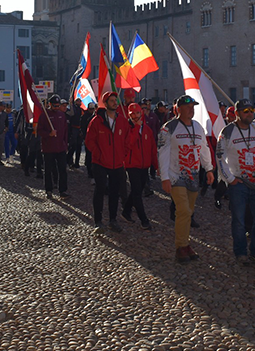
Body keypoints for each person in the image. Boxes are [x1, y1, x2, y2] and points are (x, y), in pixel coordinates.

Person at [158, 95, 214, 263]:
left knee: (188, 213)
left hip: (193, 176)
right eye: (188, 106)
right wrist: (164, 177)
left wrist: (209, 168)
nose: (192, 109)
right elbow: (163, 153)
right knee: (183, 210)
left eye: (193, 106)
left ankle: (186, 243)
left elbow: (204, 149)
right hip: (176, 176)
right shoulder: (168, 128)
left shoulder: (198, 127)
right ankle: (181, 247)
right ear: (178, 108)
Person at [217, 98, 255, 266]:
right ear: (237, 113)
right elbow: (219, 157)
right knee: (239, 221)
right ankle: (240, 252)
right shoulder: (227, 132)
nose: (250, 114)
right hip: (239, 183)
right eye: (245, 111)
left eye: (251, 111)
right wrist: (230, 179)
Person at [86, 92, 129, 233]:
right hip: (100, 162)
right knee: (100, 190)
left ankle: (113, 220)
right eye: (111, 101)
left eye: (115, 100)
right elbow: (89, 141)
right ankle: (98, 221)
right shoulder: (96, 121)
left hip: (117, 163)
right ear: (105, 103)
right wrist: (98, 153)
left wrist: (123, 154)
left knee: (114, 192)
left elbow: (127, 140)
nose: (114, 103)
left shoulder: (122, 120)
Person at [122, 102, 155, 230]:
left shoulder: (147, 129)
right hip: (132, 165)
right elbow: (128, 144)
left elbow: (152, 148)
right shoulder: (128, 128)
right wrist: (136, 128)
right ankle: (144, 220)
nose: (135, 116)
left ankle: (126, 211)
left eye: (137, 113)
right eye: (133, 114)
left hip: (144, 165)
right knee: (137, 192)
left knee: (138, 190)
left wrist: (155, 165)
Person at [37, 95, 70, 199]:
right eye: (54, 105)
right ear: (50, 104)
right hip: (48, 148)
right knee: (48, 169)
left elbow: (65, 131)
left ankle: (63, 190)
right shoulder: (44, 115)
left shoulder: (62, 115)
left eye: (58, 105)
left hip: (61, 147)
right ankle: (49, 189)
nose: (56, 107)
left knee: (62, 170)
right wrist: (48, 134)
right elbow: (39, 131)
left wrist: (65, 143)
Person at [67, 99, 85, 168]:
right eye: (78, 101)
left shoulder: (81, 110)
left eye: (80, 101)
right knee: (72, 146)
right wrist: (71, 103)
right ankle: (69, 161)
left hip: (79, 129)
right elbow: (72, 114)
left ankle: (76, 163)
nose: (79, 102)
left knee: (78, 147)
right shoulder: (73, 108)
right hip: (73, 129)